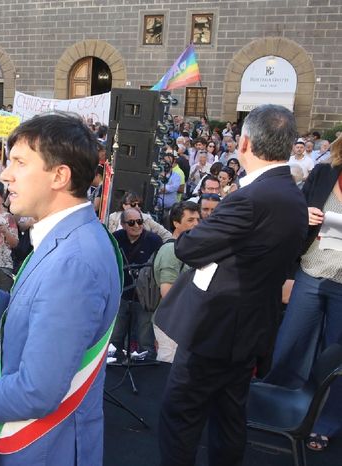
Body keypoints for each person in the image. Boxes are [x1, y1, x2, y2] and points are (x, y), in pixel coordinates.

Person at [0, 113, 121, 465]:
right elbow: (40, 320)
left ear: (59, 176)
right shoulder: (70, 237)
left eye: (19, 162)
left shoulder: (73, 261)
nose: (5, 175)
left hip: (45, 448)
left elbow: (38, 391)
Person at [155, 105, 309, 466]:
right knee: (229, 417)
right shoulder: (293, 196)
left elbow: (187, 247)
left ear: (244, 142)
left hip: (216, 329)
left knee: (180, 417)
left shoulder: (250, 199)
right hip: (251, 327)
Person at [264, 135, 342, 452]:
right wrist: (304, 214)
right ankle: (275, 407)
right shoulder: (324, 172)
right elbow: (293, 214)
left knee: (335, 358)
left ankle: (325, 423)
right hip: (309, 273)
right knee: (290, 344)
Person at [110, 207, 163, 360]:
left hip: (145, 297)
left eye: (139, 221)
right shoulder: (116, 239)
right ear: (123, 224)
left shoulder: (154, 240)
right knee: (115, 335)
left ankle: (145, 363)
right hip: (121, 294)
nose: (137, 225)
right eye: (131, 222)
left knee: (145, 337)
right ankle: (114, 360)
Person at [152, 201, 200, 363]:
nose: (196, 224)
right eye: (190, 220)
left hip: (181, 322)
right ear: (176, 223)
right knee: (169, 367)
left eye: (198, 219)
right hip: (171, 323)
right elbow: (167, 293)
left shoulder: (185, 248)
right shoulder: (171, 251)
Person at [108, 192, 172, 242]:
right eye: (133, 204)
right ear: (124, 206)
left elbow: (166, 234)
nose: (137, 207)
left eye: (139, 204)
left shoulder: (146, 219)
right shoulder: (113, 217)